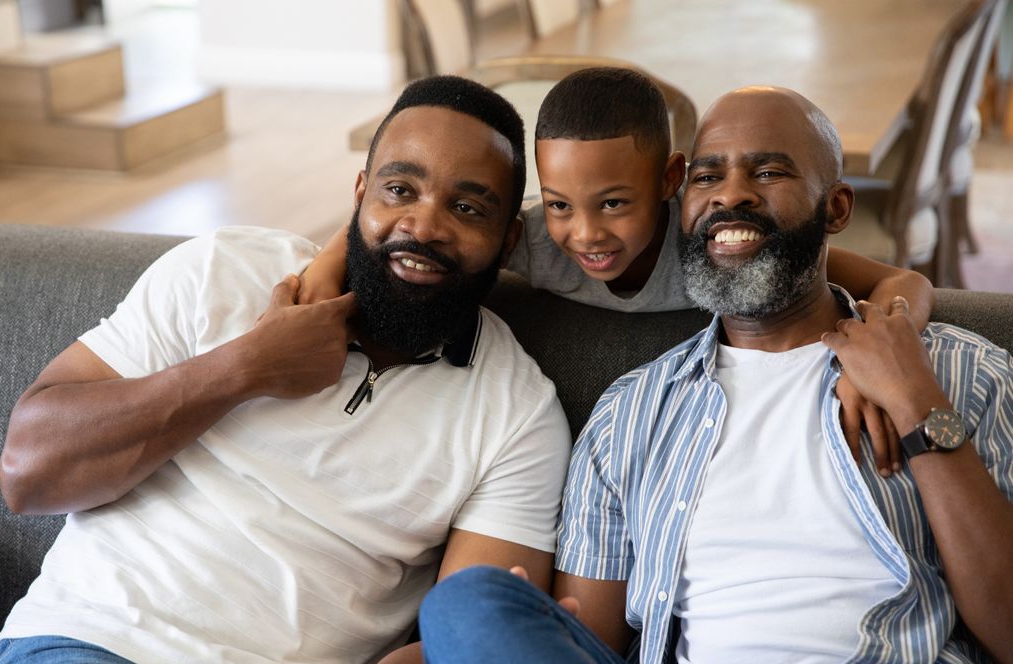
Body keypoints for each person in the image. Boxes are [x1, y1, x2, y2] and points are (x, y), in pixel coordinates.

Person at [0, 75, 573, 664]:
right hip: (93, 648)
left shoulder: (518, 413)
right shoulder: (221, 272)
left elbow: (478, 644)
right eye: (400, 189)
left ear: (509, 240)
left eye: (469, 208)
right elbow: (27, 474)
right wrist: (244, 368)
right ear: (360, 194)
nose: (423, 225)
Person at [417, 86, 1013, 664]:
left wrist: (918, 406)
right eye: (709, 176)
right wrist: (542, 643)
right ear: (681, 202)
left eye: (769, 171)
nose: (732, 194)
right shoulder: (629, 417)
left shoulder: (959, 371)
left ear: (835, 207)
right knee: (469, 609)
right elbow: (592, 642)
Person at [301, 67, 934, 479]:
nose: (585, 235)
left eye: (613, 203)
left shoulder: (712, 247)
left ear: (669, 182)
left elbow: (907, 281)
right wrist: (328, 270)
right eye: (559, 204)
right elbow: (406, 226)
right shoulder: (533, 240)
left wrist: (878, 357)